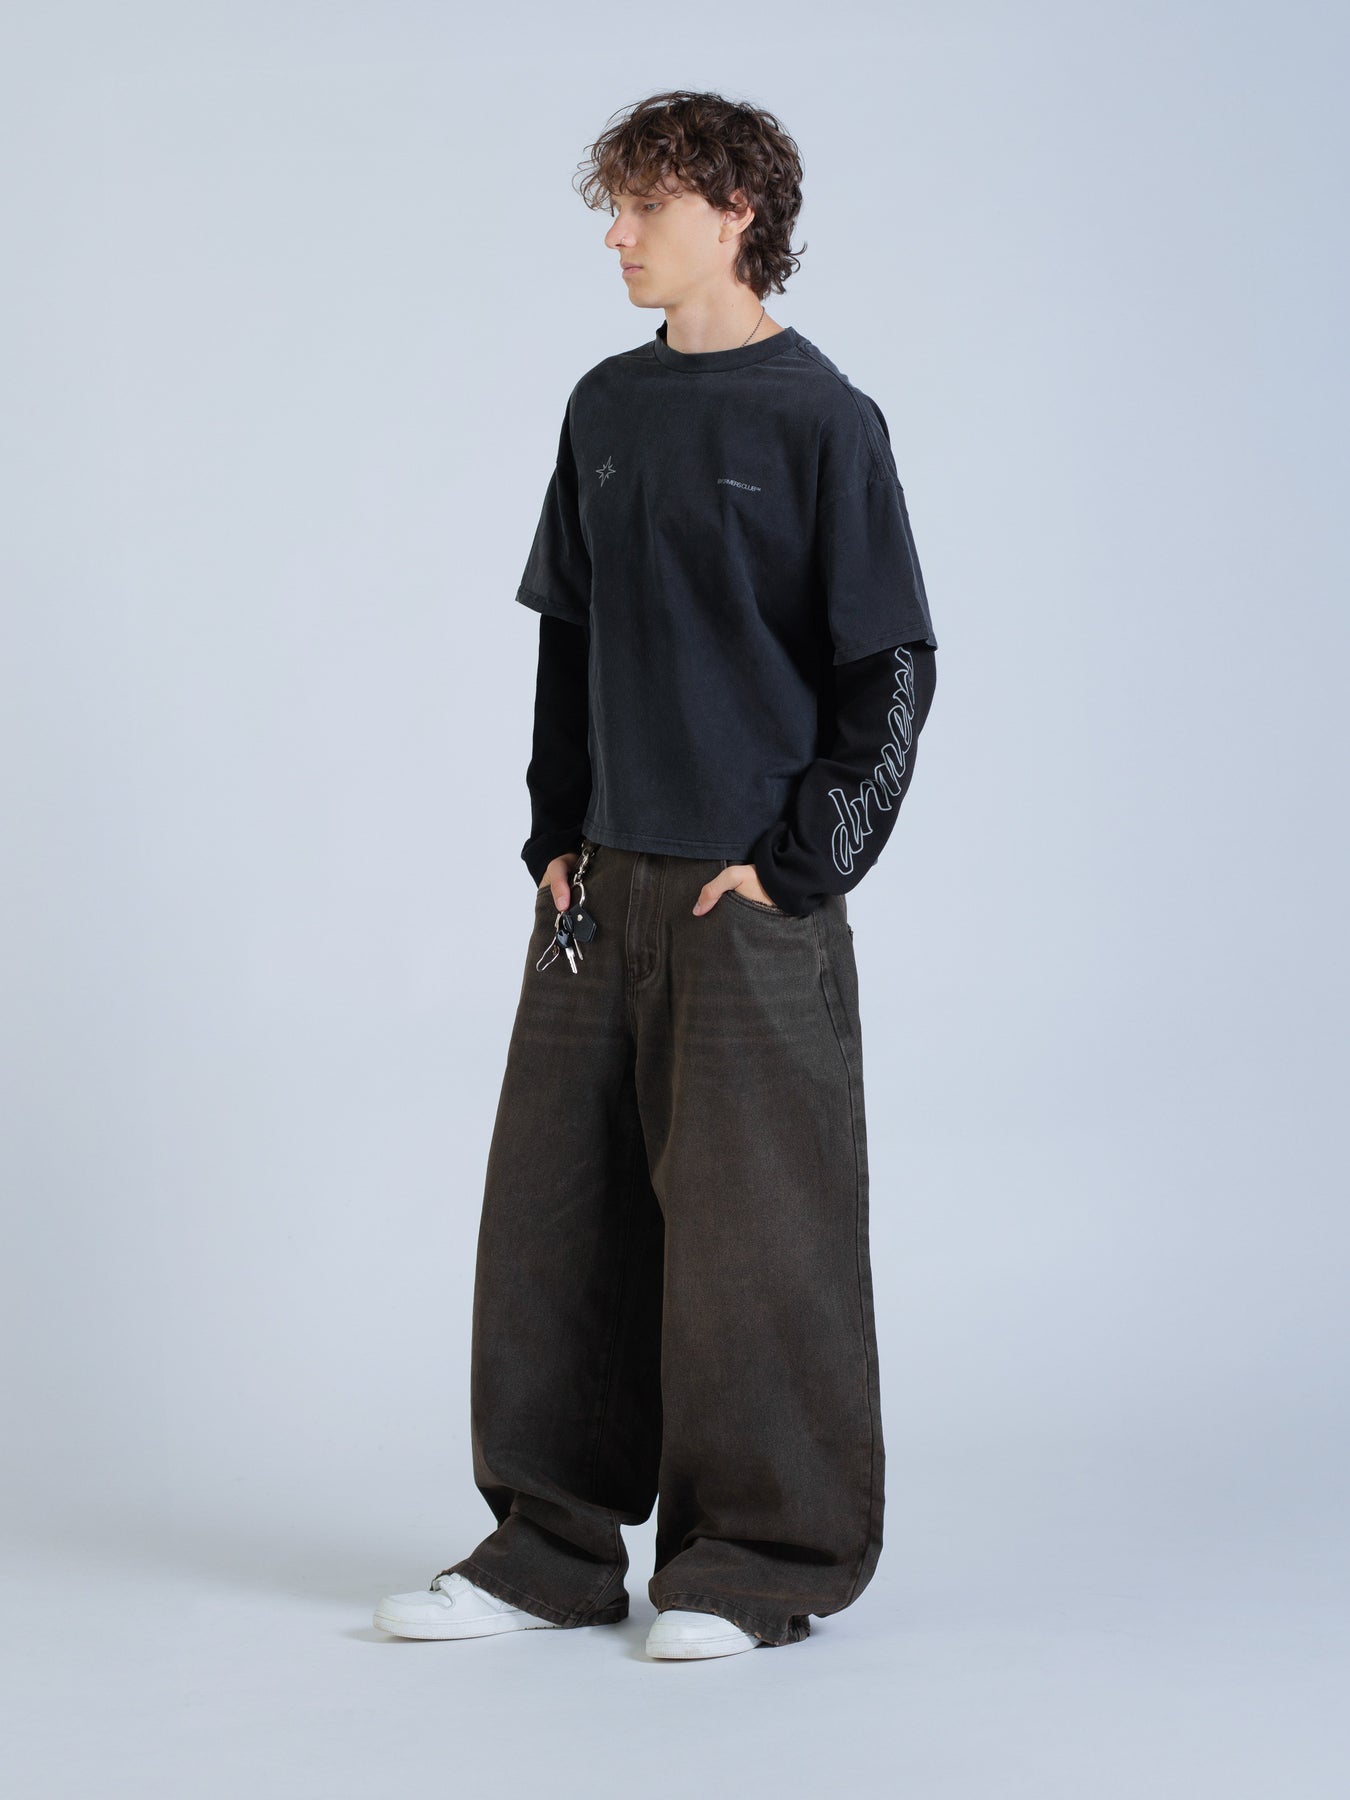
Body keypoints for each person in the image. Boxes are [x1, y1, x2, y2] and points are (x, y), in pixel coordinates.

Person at [375, 89, 938, 1661]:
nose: (614, 235)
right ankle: (546, 1552)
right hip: (598, 889)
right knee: (552, 1230)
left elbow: (890, 668)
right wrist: (552, 837)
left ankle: (757, 1562)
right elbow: (567, 636)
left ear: (735, 212)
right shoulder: (606, 408)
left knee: (758, 1242)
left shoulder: (822, 421)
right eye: (610, 206)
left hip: (740, 905)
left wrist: (800, 866)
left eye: (643, 205)